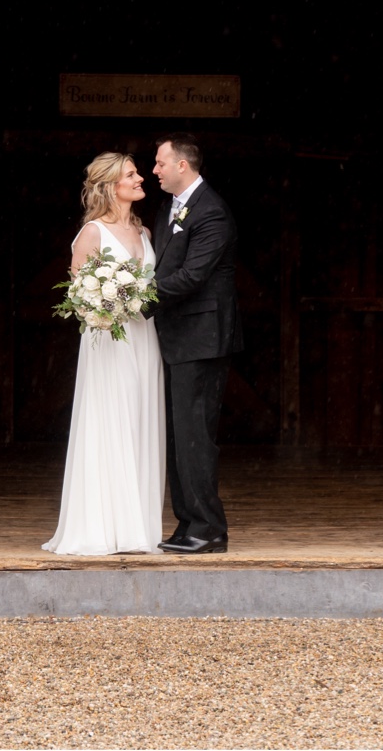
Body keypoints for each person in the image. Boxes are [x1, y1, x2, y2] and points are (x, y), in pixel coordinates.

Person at [43, 152, 167, 556]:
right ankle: (101, 526)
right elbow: (80, 293)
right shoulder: (92, 233)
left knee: (139, 419)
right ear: (112, 185)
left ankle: (136, 528)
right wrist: (107, 305)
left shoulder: (145, 232)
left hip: (143, 337)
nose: (141, 178)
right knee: (110, 422)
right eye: (131, 174)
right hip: (109, 341)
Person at [149, 133, 240, 553]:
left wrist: (137, 298)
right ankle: (187, 522)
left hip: (202, 340)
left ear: (181, 165)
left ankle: (209, 528)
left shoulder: (212, 212)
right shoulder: (171, 206)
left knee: (195, 437)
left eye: (160, 163)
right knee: (178, 435)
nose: (155, 171)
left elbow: (192, 276)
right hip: (177, 338)